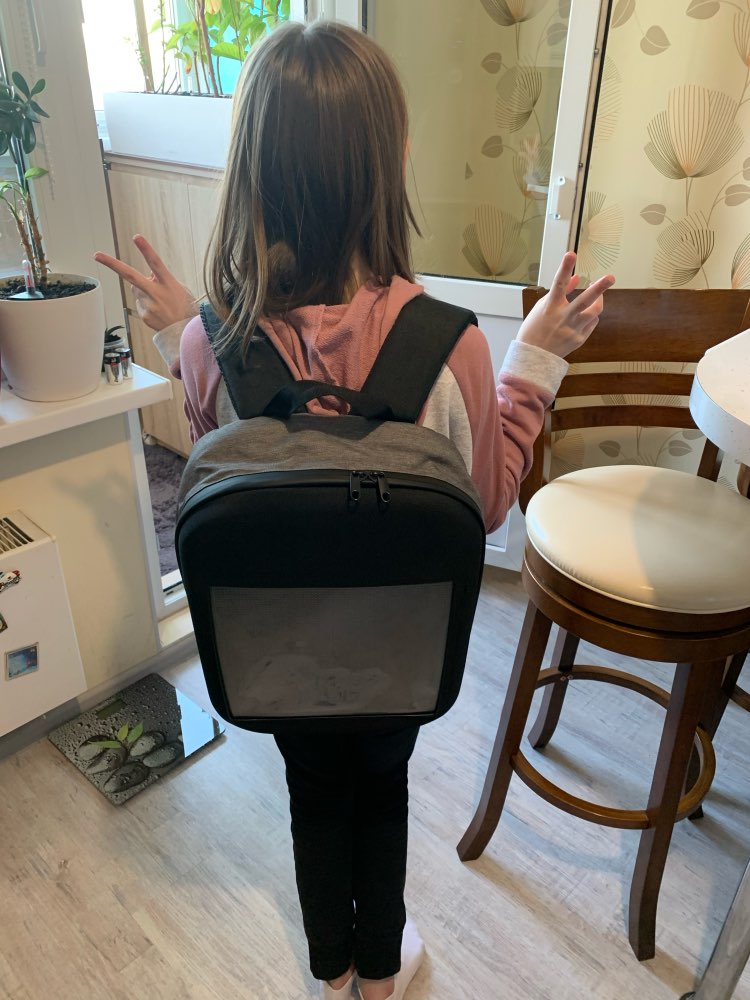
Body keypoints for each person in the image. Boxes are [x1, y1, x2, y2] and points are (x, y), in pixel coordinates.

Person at [96, 19, 614, 1000]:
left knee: (312, 792)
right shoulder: (454, 347)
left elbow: (219, 457)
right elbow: (488, 504)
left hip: (277, 656)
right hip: (399, 650)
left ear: (248, 169)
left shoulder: (211, 344)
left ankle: (329, 965)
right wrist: (535, 362)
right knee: (381, 786)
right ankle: (382, 969)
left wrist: (186, 334)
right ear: (394, 159)